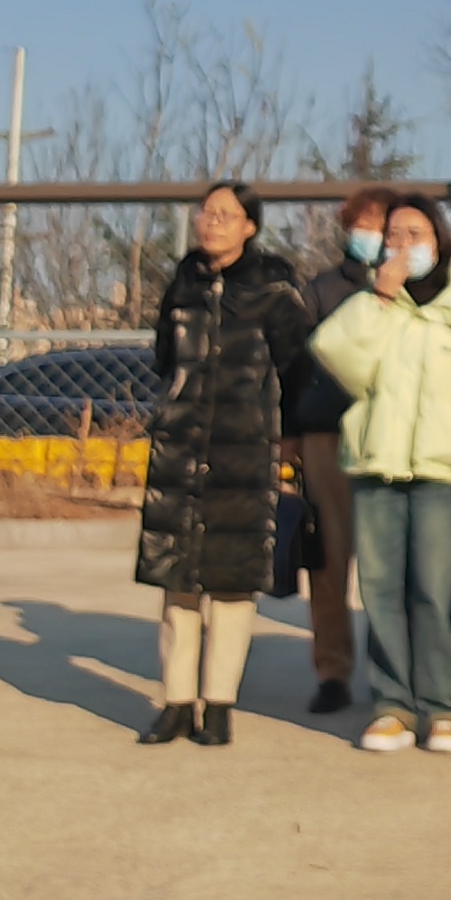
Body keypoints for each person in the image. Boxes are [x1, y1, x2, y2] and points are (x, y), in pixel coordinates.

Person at [309, 190, 451, 754]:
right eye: (393, 236)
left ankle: (446, 708)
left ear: (439, 240)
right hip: (377, 467)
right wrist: (379, 299)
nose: (403, 246)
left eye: (415, 235)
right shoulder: (374, 302)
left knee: (435, 590)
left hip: (441, 474)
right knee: (380, 591)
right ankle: (392, 706)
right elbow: (337, 356)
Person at [134, 184, 314, 748]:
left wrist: (287, 441)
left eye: (225, 215)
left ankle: (218, 704)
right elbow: (164, 358)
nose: (211, 222)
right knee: (178, 579)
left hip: (245, 450)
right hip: (181, 449)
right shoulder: (183, 282)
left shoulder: (274, 289)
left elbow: (299, 370)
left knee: (232, 586)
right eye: (206, 212)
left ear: (249, 227)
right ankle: (176, 702)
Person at [284, 188, 389, 715]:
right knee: (327, 562)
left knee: (389, 566)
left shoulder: (411, 293)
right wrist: (290, 433)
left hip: (390, 438)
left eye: (382, 226)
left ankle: (393, 674)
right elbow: (294, 366)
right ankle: (332, 670)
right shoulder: (321, 291)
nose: (372, 235)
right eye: (362, 225)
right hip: (327, 437)